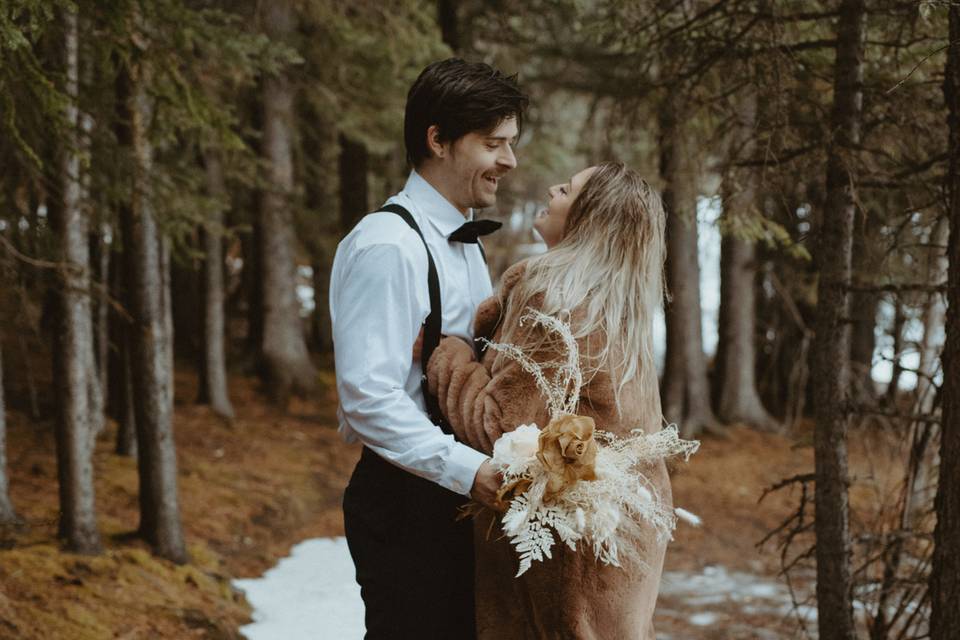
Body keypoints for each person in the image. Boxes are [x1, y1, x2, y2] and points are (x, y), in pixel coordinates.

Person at [427, 162, 671, 639]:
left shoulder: (556, 297)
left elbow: (499, 429)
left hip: (564, 565)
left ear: (590, 218)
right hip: (618, 553)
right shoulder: (616, 308)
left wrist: (449, 357)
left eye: (569, 189)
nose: (553, 187)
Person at [329, 58, 527, 639]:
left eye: (511, 144)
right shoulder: (388, 245)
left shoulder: (464, 243)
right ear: (437, 139)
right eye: (494, 143)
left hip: (457, 501)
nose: (509, 162)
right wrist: (472, 471)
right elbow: (367, 398)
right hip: (406, 508)